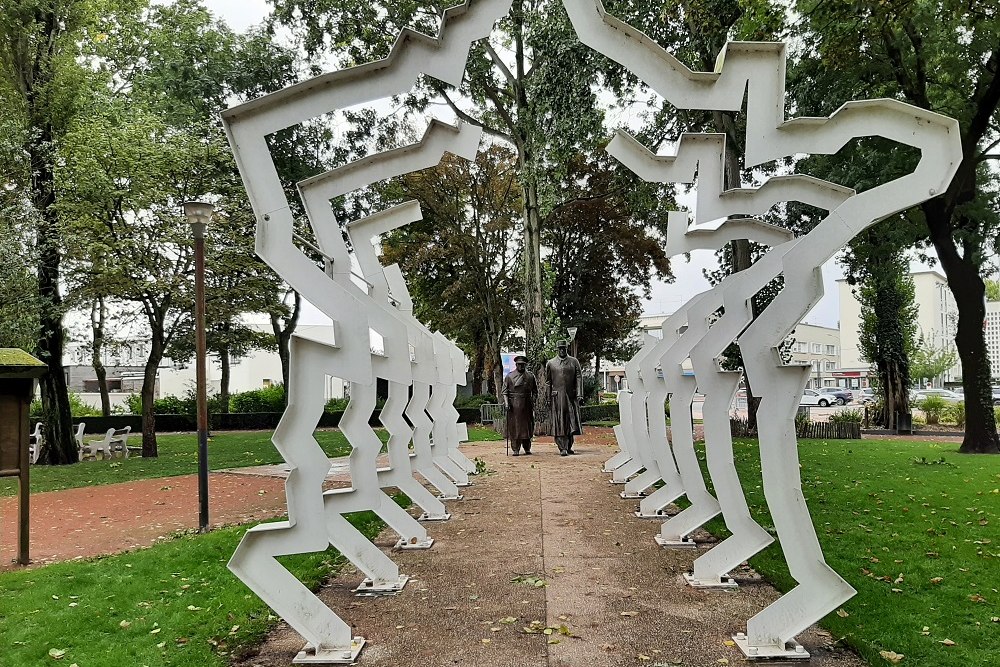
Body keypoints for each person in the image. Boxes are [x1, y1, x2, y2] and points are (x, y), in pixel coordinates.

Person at [545, 340, 583, 455]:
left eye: (564, 348)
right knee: (559, 422)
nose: (562, 350)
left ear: (567, 348)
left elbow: (579, 377)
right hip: (557, 397)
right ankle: (562, 447)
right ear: (557, 349)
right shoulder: (551, 363)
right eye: (560, 348)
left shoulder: (573, 362)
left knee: (571, 421)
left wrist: (579, 394)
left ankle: (569, 445)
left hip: (570, 396)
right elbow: (548, 382)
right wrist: (547, 397)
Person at [501, 354, 537, 456]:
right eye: (519, 364)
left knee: (527, 427)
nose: (521, 366)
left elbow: (535, 391)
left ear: (525, 365)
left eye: (523, 364)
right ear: (516, 364)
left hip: (527, 404)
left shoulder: (530, 376)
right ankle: (515, 448)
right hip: (514, 405)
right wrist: (507, 403)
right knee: (515, 427)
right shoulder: (509, 376)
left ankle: (527, 447)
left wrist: (533, 401)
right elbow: (504, 392)